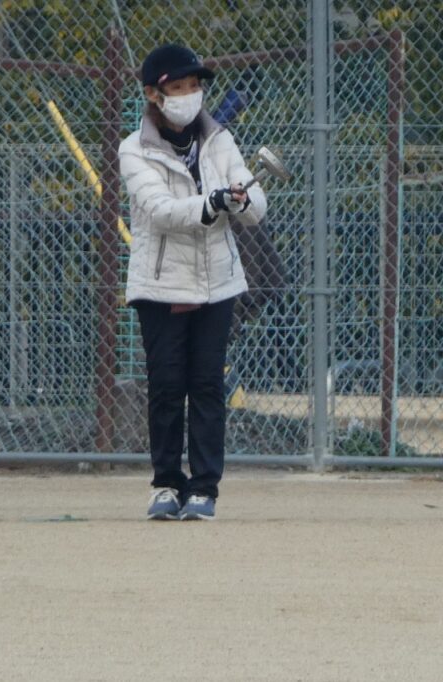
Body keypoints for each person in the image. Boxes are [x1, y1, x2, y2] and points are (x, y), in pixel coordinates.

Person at [118, 44, 267, 521]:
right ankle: (165, 483)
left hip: (217, 283)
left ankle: (204, 488)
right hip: (160, 286)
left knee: (206, 385)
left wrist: (240, 200)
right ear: (153, 94)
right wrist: (212, 202)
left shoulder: (220, 139)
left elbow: (257, 207)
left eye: (195, 86)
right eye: (178, 87)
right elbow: (160, 210)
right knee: (166, 386)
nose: (189, 95)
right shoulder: (133, 148)